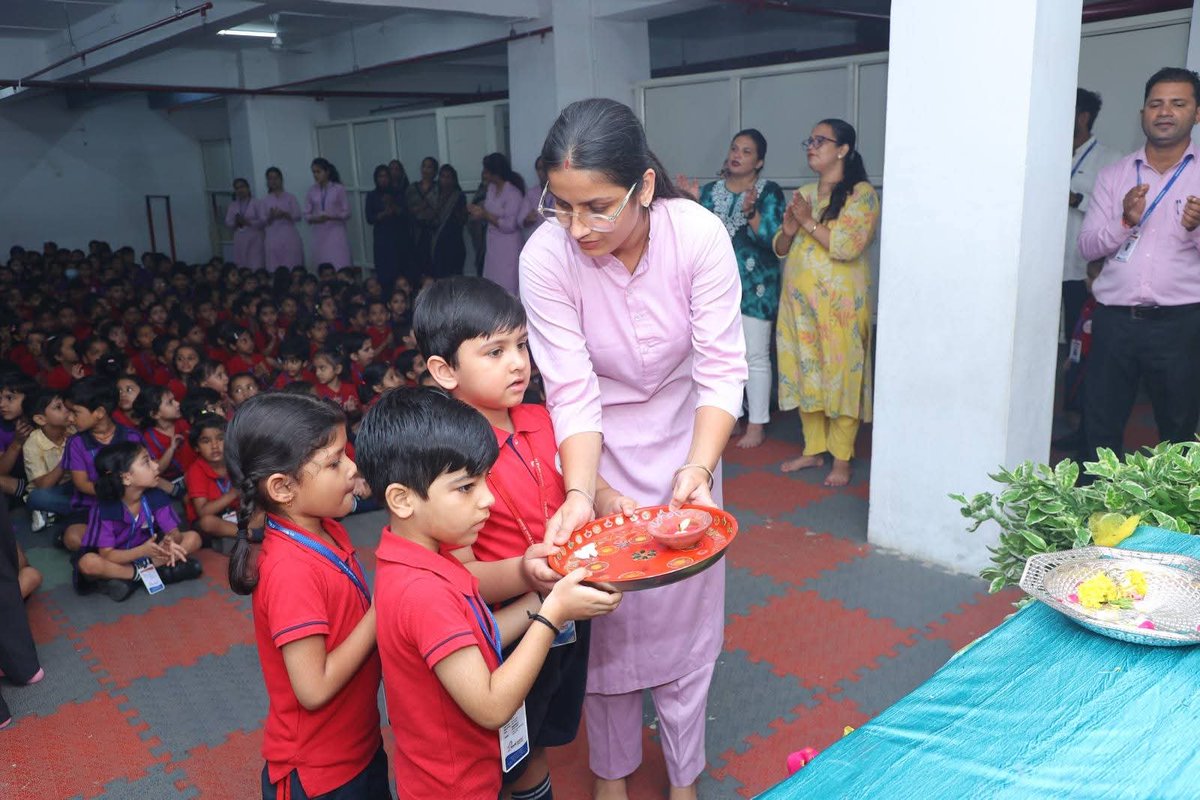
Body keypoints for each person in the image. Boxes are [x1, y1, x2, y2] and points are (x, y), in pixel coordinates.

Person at [520, 97, 747, 800]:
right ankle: (610, 775)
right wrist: (582, 494)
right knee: (607, 626)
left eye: (598, 207)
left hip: (690, 442)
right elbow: (571, 389)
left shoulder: (700, 235)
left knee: (686, 631)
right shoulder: (545, 256)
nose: (577, 227)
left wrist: (698, 470)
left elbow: (721, 368)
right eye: (560, 206)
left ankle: (684, 779)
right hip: (597, 453)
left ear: (645, 186)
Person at [414, 276, 638, 800]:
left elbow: (582, 480)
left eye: (521, 345)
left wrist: (607, 500)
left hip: (565, 606)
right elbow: (461, 577)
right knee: (508, 743)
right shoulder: (447, 457)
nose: (518, 362)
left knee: (547, 722)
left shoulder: (541, 417)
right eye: (494, 352)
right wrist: (525, 574)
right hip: (512, 621)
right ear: (445, 370)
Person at [354, 386, 621, 799]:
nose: (487, 499)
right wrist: (552, 617)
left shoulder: (416, 558)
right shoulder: (422, 591)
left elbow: (479, 632)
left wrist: (548, 596)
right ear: (402, 499)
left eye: (484, 481)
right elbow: (492, 705)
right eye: (466, 487)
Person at [225, 393, 389, 800]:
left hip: (359, 743)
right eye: (335, 462)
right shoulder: (291, 571)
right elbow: (312, 688)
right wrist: (381, 610)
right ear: (282, 487)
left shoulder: (326, 528)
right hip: (321, 774)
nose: (352, 467)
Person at [1079, 67, 1200, 461]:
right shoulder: (1115, 175)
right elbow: (1087, 245)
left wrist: (1198, 229)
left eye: (1178, 103)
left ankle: (1172, 523)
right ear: (1143, 113)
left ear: (1197, 113)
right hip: (1116, 321)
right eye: (1156, 104)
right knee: (1099, 429)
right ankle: (1096, 518)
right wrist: (1125, 221)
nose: (1165, 112)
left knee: (1179, 432)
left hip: (1181, 324)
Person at [774, 119, 880, 487]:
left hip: (840, 309)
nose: (812, 146)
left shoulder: (861, 194)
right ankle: (812, 448)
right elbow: (781, 249)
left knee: (841, 376)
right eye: (810, 139)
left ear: (843, 149)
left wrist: (806, 220)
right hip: (799, 307)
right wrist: (789, 230)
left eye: (821, 141)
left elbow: (847, 246)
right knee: (806, 373)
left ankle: (841, 457)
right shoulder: (805, 190)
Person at [679, 129, 785, 448]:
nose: (737, 155)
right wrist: (692, 204)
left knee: (754, 355)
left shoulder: (769, 192)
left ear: (760, 161)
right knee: (717, 353)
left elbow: (774, 240)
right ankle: (732, 417)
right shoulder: (711, 192)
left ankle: (757, 423)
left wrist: (752, 213)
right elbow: (695, 236)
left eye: (747, 151)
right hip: (714, 287)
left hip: (757, 286)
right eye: (734, 148)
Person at [73, 441, 203, 602]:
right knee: (88, 564)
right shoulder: (104, 509)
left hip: (151, 554)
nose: (156, 466)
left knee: (193, 538)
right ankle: (148, 574)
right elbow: (108, 555)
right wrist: (142, 551)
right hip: (119, 558)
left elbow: (174, 533)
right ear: (126, 478)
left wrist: (170, 541)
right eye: (146, 462)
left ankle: (131, 579)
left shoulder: (156, 496)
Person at [1064, 90, 1121, 345]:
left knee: (1078, 340)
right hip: (1041, 265)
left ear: (1083, 117)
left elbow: (1116, 215)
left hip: (1080, 269)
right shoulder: (1049, 153)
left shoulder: (1111, 160)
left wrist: (1077, 199)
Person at [468, 153, 526, 295]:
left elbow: (510, 225)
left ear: (495, 173)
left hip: (508, 245)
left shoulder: (513, 193)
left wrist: (485, 214)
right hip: (493, 242)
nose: (484, 174)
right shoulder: (491, 189)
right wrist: (477, 212)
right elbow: (488, 210)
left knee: (508, 283)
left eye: (487, 171)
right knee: (492, 283)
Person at [184, 414, 239, 541]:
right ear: (196, 447)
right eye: (206, 441)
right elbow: (202, 512)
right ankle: (249, 534)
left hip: (237, 514)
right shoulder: (196, 470)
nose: (214, 446)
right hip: (213, 521)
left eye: (220, 439)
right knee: (207, 522)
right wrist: (232, 494)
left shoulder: (234, 461)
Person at [365, 164, 415, 293]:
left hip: (399, 240)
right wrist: (383, 214)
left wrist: (393, 205)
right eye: (380, 176)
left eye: (386, 176)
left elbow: (406, 215)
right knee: (385, 274)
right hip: (382, 241)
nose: (383, 179)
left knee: (401, 272)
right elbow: (369, 218)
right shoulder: (372, 195)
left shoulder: (399, 193)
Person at [305, 158, 353, 269]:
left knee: (339, 265)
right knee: (322, 266)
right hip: (319, 233)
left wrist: (332, 217)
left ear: (327, 172)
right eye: (313, 172)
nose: (316, 175)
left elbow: (347, 212)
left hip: (336, 232)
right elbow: (306, 214)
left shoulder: (338, 188)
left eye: (318, 172)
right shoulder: (312, 190)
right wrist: (315, 219)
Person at [261, 167, 306, 269]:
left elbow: (297, 216)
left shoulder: (290, 197)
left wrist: (285, 214)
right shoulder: (265, 200)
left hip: (289, 237)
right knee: (274, 268)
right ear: (267, 181)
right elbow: (262, 221)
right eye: (270, 178)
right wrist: (271, 216)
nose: (274, 181)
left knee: (293, 267)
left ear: (281, 179)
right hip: (272, 239)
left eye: (276, 178)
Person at [407, 156, 441, 278]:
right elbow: (407, 210)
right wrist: (420, 208)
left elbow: (441, 209)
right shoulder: (412, 188)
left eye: (429, 167)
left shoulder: (439, 188)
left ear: (435, 171)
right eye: (424, 166)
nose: (426, 170)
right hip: (417, 233)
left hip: (435, 233)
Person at [431, 164, 468, 279]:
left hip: (454, 243)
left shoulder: (459, 196)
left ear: (453, 179)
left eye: (448, 177)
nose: (445, 180)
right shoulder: (433, 195)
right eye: (443, 176)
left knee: (454, 278)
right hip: (437, 242)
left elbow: (462, 220)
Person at [225, 178, 266, 270]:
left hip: (255, 239)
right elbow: (228, 222)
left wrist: (248, 222)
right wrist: (236, 222)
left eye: (242, 187)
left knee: (256, 265)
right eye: (237, 188)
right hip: (240, 239)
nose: (240, 190)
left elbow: (263, 221)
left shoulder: (257, 203)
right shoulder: (233, 205)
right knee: (242, 266)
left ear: (248, 188)